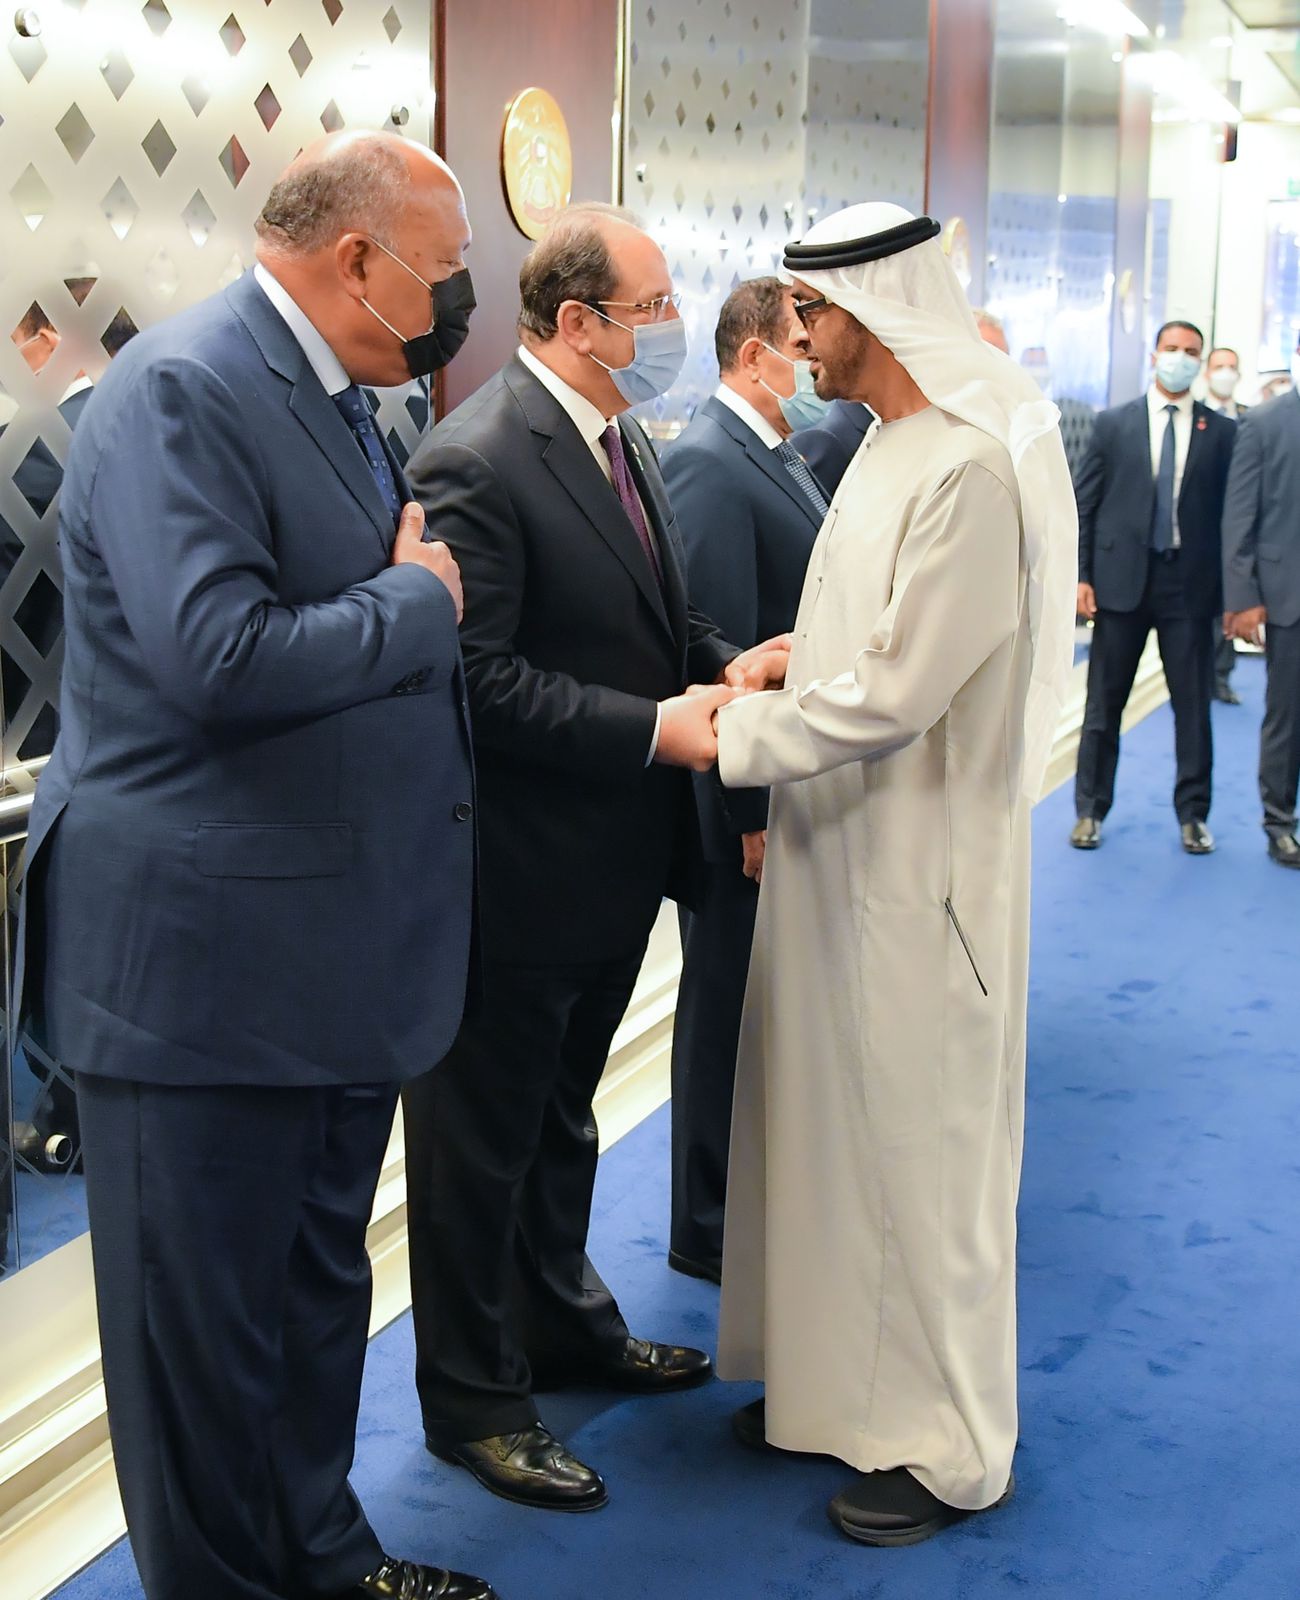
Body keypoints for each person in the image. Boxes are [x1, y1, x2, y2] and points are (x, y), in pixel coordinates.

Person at [18, 131, 496, 1600]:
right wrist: (417, 606)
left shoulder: (336, 395)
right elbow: (218, 657)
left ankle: (324, 1555)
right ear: (358, 256)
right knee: (203, 1344)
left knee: (308, 1296)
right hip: (199, 977)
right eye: (445, 265)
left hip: (321, 960)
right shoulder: (187, 386)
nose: (458, 295)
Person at [401, 203, 779, 1515]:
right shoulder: (478, 457)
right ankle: (473, 1402)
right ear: (578, 320)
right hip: (513, 873)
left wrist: (726, 662)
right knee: (477, 1149)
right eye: (655, 305)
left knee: (562, 1118)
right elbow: (473, 679)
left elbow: (649, 619)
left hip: (608, 865)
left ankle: (559, 1324)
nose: (673, 325)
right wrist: (654, 729)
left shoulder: (620, 437)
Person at [712, 202, 1077, 1545]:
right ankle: (833, 1396)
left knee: (920, 1159)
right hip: (835, 853)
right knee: (824, 1132)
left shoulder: (968, 468)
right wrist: (786, 656)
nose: (795, 336)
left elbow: (903, 693)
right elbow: (867, 638)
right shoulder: (884, 445)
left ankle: (947, 1446)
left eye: (809, 313)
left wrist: (724, 733)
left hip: (920, 875)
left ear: (871, 308)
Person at [661, 277, 826, 1284]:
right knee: (721, 1004)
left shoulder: (776, 451)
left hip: (786, 779)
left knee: (760, 1006)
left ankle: (749, 1198)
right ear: (753, 354)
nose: (814, 362)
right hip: (741, 799)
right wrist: (746, 811)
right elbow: (719, 660)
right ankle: (706, 1221)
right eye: (800, 347)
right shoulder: (711, 462)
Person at [1072, 320, 1236, 854]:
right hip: (1120, 584)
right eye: (1171, 348)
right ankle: (1090, 810)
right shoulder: (1113, 424)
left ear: (1200, 362)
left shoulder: (1222, 432)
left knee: (1193, 708)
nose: (1179, 358)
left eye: (1190, 352)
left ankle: (1193, 815)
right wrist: (1081, 576)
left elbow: (1231, 516)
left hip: (1188, 588)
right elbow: (1085, 504)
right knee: (1104, 706)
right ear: (1154, 354)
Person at [1221, 353, 1300, 869]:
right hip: (1289, 596)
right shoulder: (1265, 422)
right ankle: (1280, 823)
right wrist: (1243, 597)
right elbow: (1239, 515)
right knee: (1287, 716)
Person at [1204, 346, 1247, 702]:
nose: (1225, 373)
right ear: (1207, 372)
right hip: (1201, 530)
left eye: (1231, 367)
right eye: (1219, 366)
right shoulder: (1195, 417)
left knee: (1228, 606)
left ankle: (1221, 675)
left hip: (1235, 531)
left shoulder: (1249, 420)